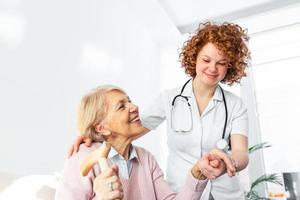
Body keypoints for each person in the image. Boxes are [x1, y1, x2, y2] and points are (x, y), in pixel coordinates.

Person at [69, 21, 251, 200]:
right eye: (206, 60)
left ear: (230, 66)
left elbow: (241, 153)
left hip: (225, 193)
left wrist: (229, 162)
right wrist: (93, 135)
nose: (212, 68)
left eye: (221, 63)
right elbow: (128, 128)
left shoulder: (235, 105)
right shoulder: (169, 99)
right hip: (183, 191)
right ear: (195, 56)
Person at [56, 85, 236, 200]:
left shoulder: (145, 158)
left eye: (130, 101)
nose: (134, 107)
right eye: (121, 106)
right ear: (102, 128)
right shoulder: (80, 160)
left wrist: (198, 173)